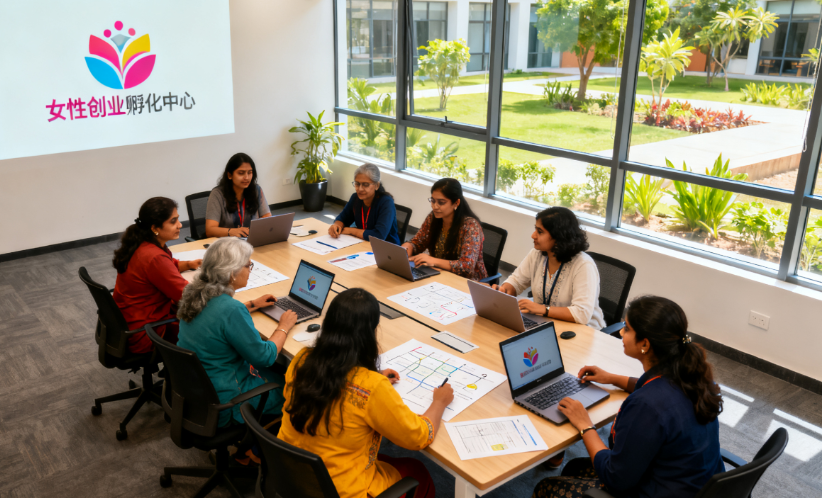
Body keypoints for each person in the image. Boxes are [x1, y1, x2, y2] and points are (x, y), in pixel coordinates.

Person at [532, 296, 725, 498]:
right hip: (696, 485)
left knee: (546, 488)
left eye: (628, 328)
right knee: (575, 467)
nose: (621, 332)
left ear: (645, 344)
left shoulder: (647, 406)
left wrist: (585, 425)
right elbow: (657, 390)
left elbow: (615, 478)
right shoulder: (692, 375)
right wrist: (612, 378)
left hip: (656, 490)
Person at [278, 288, 453, 498]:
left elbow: (334, 380)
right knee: (418, 470)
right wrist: (440, 402)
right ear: (370, 332)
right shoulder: (372, 387)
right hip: (341, 490)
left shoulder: (302, 359)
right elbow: (418, 437)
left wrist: (373, 374)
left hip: (292, 475)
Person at [176, 238, 299, 427]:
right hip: (228, 402)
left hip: (199, 391)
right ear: (232, 272)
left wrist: (252, 304)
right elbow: (265, 357)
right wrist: (284, 326)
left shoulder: (194, 291)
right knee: (296, 390)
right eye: (248, 265)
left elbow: (217, 317)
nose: (250, 269)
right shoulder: (231, 310)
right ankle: (257, 449)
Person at [112, 197, 202, 354]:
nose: (180, 225)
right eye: (173, 221)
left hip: (130, 321)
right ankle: (187, 374)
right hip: (147, 332)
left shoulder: (142, 243)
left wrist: (188, 264)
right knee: (209, 330)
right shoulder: (154, 257)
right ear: (155, 228)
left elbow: (166, 266)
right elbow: (188, 296)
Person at [494, 207, 606, 330]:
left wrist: (543, 309)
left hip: (583, 331)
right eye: (535, 229)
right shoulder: (536, 254)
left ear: (559, 237)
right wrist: (503, 290)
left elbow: (582, 314)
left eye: (540, 231)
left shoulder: (583, 265)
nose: (533, 235)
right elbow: (516, 282)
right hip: (544, 323)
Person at [402, 178, 487, 281]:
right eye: (432, 201)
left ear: (456, 203)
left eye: (441, 202)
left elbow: (466, 266)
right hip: (438, 274)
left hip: (466, 283)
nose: (435, 206)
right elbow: (418, 242)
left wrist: (432, 260)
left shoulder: (471, 226)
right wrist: (408, 247)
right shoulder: (433, 217)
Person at [328, 163, 401, 245]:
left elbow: (379, 236)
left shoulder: (386, 203)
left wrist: (350, 230)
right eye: (357, 184)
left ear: (377, 185)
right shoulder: (355, 198)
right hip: (362, 243)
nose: (360, 189)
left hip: (386, 249)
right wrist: (337, 225)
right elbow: (343, 218)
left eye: (365, 185)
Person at [205, 152, 271, 238]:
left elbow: (267, 218)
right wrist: (231, 231)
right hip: (227, 243)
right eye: (241, 173)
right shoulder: (217, 194)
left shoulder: (256, 190)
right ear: (229, 175)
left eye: (250, 173)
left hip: (252, 240)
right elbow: (210, 230)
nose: (246, 177)